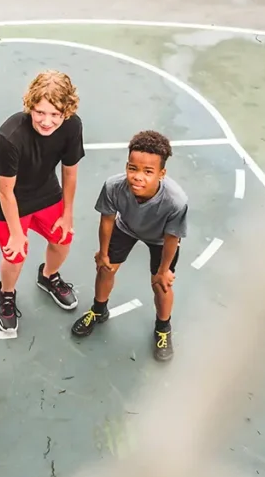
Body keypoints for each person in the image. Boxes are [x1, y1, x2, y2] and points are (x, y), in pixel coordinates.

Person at [0, 69, 85, 333]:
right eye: (40, 112)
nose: (47, 121)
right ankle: (6, 294)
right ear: (30, 106)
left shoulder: (72, 126)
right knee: (15, 255)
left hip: (42, 184)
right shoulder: (12, 136)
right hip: (6, 192)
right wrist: (16, 233)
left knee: (62, 239)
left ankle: (48, 276)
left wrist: (68, 212)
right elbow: (5, 191)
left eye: (55, 114)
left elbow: (70, 171)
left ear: (67, 112)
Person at [70, 130, 188, 361]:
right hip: (127, 227)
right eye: (133, 168)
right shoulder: (114, 186)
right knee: (105, 269)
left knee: (161, 285)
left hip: (161, 239)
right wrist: (103, 254)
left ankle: (163, 328)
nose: (138, 176)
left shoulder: (176, 201)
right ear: (126, 166)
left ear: (162, 173)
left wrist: (164, 271)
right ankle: (98, 310)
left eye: (148, 171)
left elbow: (173, 237)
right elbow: (107, 220)